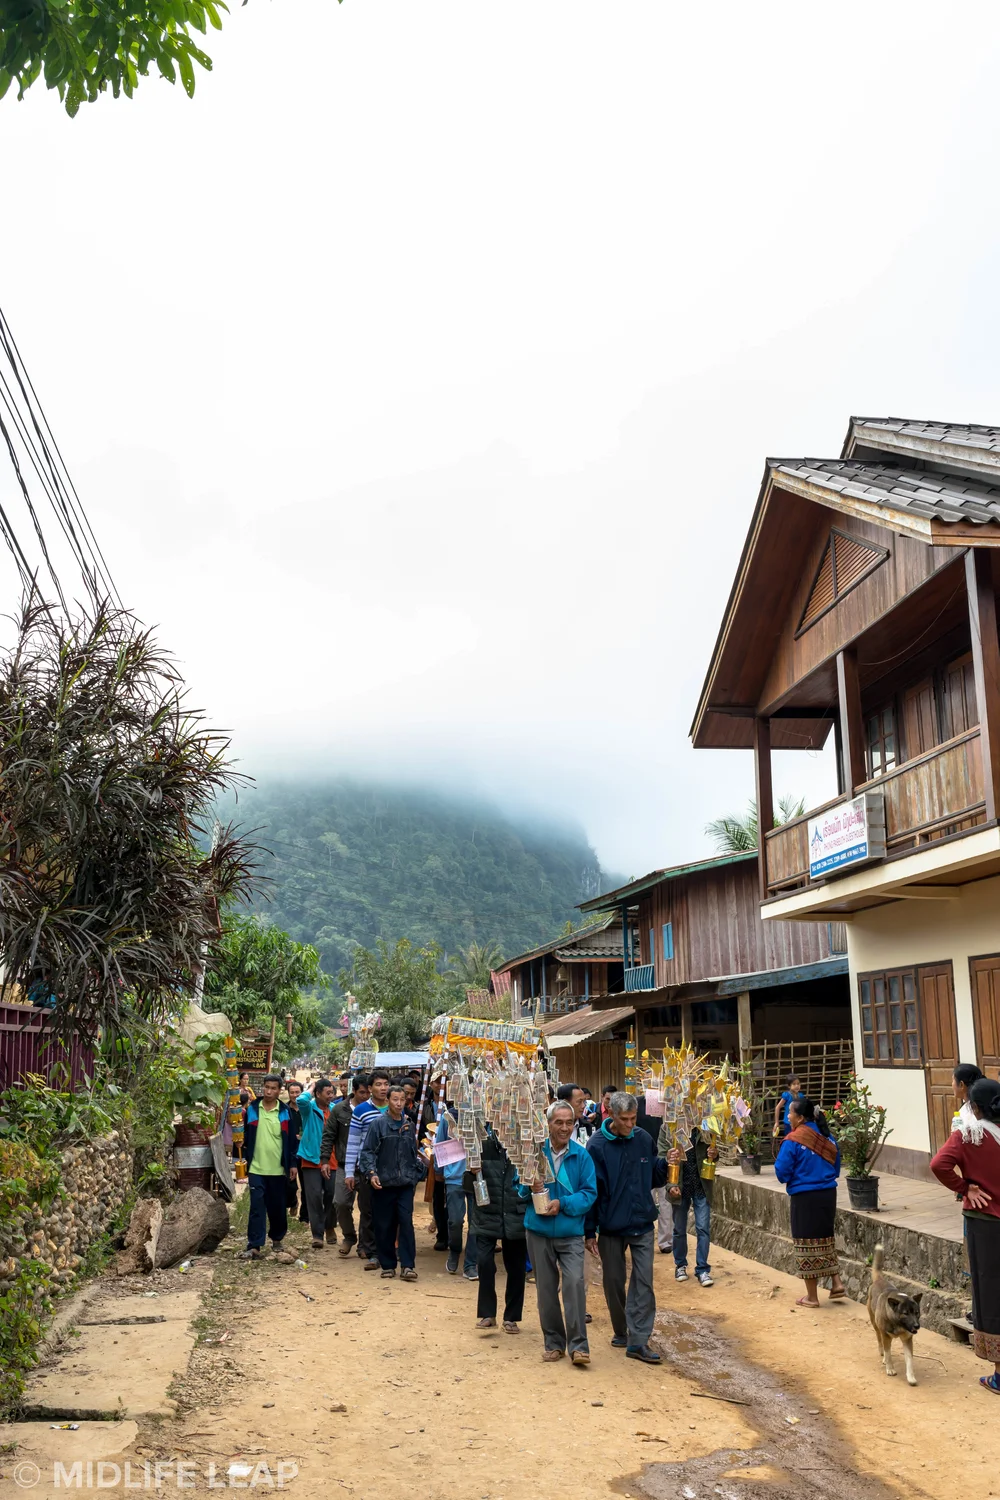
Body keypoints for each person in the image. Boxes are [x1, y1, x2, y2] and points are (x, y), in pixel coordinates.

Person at [586, 1091, 669, 1364]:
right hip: (611, 1225)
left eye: (634, 1118)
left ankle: (638, 1340)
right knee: (613, 1281)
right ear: (611, 1114)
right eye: (624, 1119)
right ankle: (621, 1330)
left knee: (644, 1282)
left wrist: (668, 1163)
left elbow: (654, 1176)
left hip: (643, 1222)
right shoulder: (596, 1146)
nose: (630, 1124)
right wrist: (589, 1231)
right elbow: (592, 1190)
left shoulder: (643, 1139)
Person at [931, 1076, 1000, 1393]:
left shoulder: (968, 1136)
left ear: (975, 1107)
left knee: (991, 1291)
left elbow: (939, 1164)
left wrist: (964, 1188)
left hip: (985, 1222)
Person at [518, 1099, 597, 1365]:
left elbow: (589, 1194)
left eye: (569, 1123)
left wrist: (562, 1204)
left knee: (574, 1284)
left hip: (570, 1232)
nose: (564, 1128)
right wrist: (529, 1185)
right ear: (548, 1124)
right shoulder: (534, 1153)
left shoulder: (581, 1155)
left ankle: (579, 1346)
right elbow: (518, 1188)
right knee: (546, 1290)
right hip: (538, 1231)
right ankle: (553, 1343)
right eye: (558, 1122)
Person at [773, 1096, 846, 1306]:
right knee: (825, 1239)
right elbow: (836, 1168)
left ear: (800, 1118)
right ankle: (836, 1283)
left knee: (806, 1244)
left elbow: (782, 1173)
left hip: (804, 1197)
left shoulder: (794, 1140)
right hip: (827, 1195)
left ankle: (812, 1297)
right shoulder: (828, 1137)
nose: (788, 1116)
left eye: (790, 1113)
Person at [358, 1081, 427, 1280]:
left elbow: (412, 1153)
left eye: (402, 1099)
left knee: (406, 1223)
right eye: (395, 1099)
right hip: (383, 1183)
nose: (399, 1103)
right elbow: (368, 1152)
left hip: (405, 1184)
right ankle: (388, 1265)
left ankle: (407, 1266)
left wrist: (418, 1171)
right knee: (384, 1224)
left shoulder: (409, 1125)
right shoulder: (378, 1124)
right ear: (387, 1100)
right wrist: (372, 1173)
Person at [467, 1126, 528, 1332]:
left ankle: (511, 1317)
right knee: (484, 1263)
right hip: (486, 1212)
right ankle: (487, 1314)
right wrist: (472, 1171)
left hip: (516, 1213)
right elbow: (467, 1184)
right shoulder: (481, 1145)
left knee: (516, 1267)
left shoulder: (524, 1146)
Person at [242, 1074, 296, 1260]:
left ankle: (277, 1239)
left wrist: (292, 1164)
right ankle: (254, 1245)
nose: (269, 1091)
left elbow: (291, 1140)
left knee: (277, 1206)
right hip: (256, 1168)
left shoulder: (285, 1112)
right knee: (256, 1207)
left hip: (278, 1169)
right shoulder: (253, 1109)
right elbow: (245, 1134)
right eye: (267, 1087)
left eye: (273, 1088)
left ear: (279, 1090)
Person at [659, 1125, 718, 1285]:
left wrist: (714, 1154)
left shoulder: (706, 1125)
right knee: (679, 1229)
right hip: (679, 1186)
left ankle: (703, 1269)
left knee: (703, 1228)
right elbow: (661, 1158)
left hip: (701, 1185)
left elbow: (713, 1153)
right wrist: (671, 1185)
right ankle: (680, 1265)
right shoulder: (669, 1126)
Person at [345, 1068, 391, 1270]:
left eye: (386, 1084)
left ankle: (386, 1250)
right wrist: (349, 1172)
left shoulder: (395, 1107)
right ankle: (371, 1251)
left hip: (391, 1170)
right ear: (370, 1088)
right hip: (367, 1169)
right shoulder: (361, 1111)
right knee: (368, 1211)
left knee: (389, 1212)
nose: (383, 1088)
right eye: (378, 1084)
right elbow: (353, 1142)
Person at [321, 1072, 372, 1258]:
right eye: (362, 1092)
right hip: (344, 1164)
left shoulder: (374, 1110)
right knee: (340, 1202)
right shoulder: (339, 1110)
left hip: (367, 1167)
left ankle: (364, 1245)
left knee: (367, 1207)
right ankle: (349, 1236)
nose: (365, 1096)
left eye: (368, 1093)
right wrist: (325, 1160)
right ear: (354, 1091)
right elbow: (328, 1136)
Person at [435, 1106, 478, 1279]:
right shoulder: (448, 1117)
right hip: (454, 1176)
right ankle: (454, 1250)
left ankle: (470, 1264)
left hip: (477, 1176)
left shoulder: (481, 1114)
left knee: (476, 1222)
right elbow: (439, 1143)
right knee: (455, 1221)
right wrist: (438, 1170)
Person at [297, 1078, 338, 1249]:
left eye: (332, 1093)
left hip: (333, 1159)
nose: (330, 1096)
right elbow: (300, 1099)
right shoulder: (309, 1108)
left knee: (332, 1195)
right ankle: (317, 1234)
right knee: (313, 1197)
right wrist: (311, 1087)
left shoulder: (335, 1110)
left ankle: (330, 1226)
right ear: (318, 1094)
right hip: (311, 1158)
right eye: (327, 1093)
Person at [284, 1078, 305, 1217]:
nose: (295, 1095)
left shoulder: (308, 1109)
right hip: (289, 1150)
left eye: (297, 1092)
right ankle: (293, 1202)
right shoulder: (284, 1110)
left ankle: (304, 1216)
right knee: (290, 1182)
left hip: (305, 1150)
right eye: (292, 1092)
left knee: (306, 1185)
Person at [954, 1063, 986, 1130]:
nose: (952, 1084)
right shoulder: (966, 1106)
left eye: (952, 1080)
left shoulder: (975, 1112)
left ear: (961, 1084)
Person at [773, 1073, 803, 1141]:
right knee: (789, 1139)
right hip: (788, 1122)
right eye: (794, 1084)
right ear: (789, 1086)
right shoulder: (787, 1095)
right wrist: (776, 1122)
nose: (797, 1086)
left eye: (798, 1084)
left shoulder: (801, 1096)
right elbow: (777, 1108)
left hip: (798, 1122)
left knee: (797, 1139)